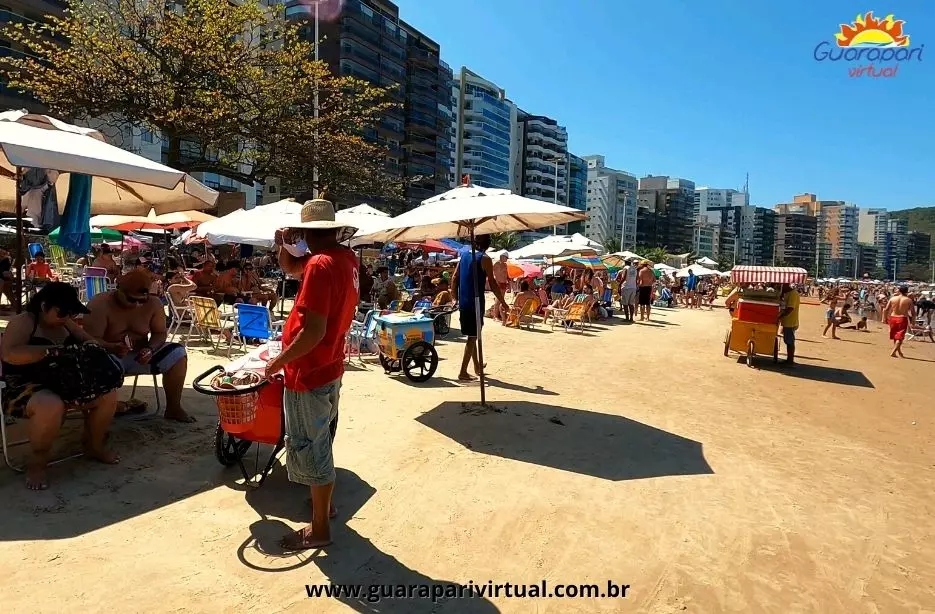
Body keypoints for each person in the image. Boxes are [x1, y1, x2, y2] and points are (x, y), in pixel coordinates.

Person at [264, 199, 359, 550]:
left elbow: (312, 332)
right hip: (329, 366)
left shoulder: (320, 264)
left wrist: (277, 363)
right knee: (320, 440)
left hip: (309, 370)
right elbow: (292, 268)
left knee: (310, 445)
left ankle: (319, 529)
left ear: (308, 232)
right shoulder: (344, 258)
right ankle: (324, 506)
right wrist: (283, 246)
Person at [0, 283, 119, 489]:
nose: (67, 316)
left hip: (65, 380)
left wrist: (108, 347)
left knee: (108, 395)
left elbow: (88, 341)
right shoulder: (24, 322)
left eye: (70, 313)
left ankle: (94, 445)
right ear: (45, 306)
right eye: (62, 312)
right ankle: (37, 463)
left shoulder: (66, 322)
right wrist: (49, 350)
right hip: (24, 385)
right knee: (50, 405)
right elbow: (9, 354)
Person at [83, 269, 193, 423]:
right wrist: (112, 346)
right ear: (119, 289)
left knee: (178, 353)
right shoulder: (100, 303)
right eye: (131, 299)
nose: (136, 305)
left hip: (140, 355)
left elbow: (159, 333)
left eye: (141, 301)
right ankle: (102, 414)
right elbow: (89, 339)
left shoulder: (153, 304)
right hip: (108, 356)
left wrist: (150, 349)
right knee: (99, 360)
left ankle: (173, 407)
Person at [452, 235, 508, 382]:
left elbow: (454, 277)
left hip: (464, 301)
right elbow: (493, 283)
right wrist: (503, 301)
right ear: (488, 245)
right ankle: (463, 372)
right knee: (473, 336)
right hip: (475, 302)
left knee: (473, 334)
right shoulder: (485, 258)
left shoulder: (463, 255)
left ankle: (477, 367)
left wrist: (454, 297)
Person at [883, 286, 915, 358]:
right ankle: (893, 352)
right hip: (902, 318)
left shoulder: (893, 298)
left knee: (895, 336)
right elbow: (913, 313)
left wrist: (884, 319)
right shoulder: (908, 300)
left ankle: (899, 352)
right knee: (900, 337)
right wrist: (913, 322)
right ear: (907, 292)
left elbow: (886, 309)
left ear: (899, 291)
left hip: (893, 317)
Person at [778, 283, 801, 366]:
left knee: (789, 341)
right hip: (787, 321)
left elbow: (790, 308)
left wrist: (780, 316)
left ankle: (790, 361)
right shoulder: (787, 293)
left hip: (790, 322)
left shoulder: (793, 294)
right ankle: (789, 360)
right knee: (788, 340)